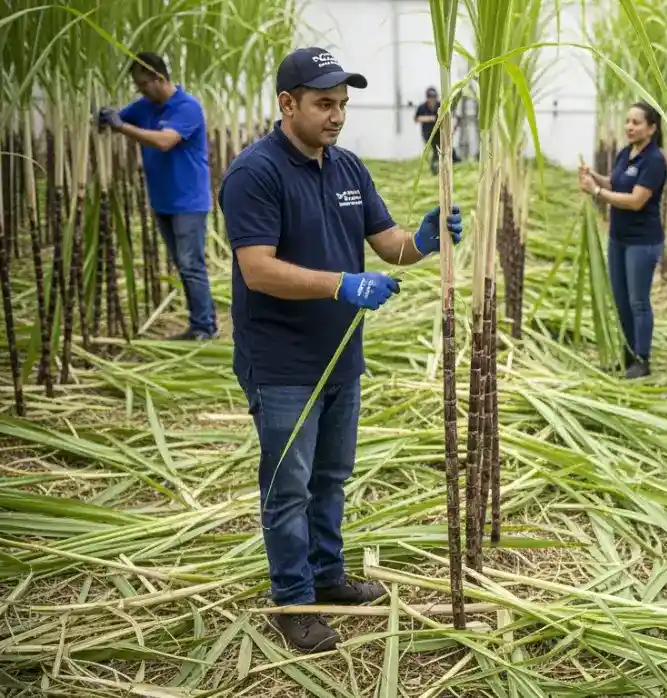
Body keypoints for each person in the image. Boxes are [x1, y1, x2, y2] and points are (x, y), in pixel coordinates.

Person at [217, 47, 463, 654]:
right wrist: (340, 285)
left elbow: (389, 245)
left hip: (340, 356)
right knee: (289, 487)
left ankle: (328, 576)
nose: (337, 116)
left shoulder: (348, 168)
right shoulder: (255, 174)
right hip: (282, 363)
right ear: (287, 103)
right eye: (324, 104)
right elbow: (258, 270)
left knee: (331, 477)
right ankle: (293, 600)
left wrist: (425, 239)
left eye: (343, 104)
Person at [98, 52, 217, 340]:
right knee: (183, 265)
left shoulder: (187, 107)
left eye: (142, 84)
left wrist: (121, 127)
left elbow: (165, 141)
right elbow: (118, 118)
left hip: (188, 202)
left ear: (159, 78)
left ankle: (204, 327)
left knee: (191, 266)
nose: (139, 90)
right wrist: (104, 116)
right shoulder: (144, 107)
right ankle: (200, 323)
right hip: (162, 200)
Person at [578, 101, 667, 378]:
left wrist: (596, 193)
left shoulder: (654, 160)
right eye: (628, 121)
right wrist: (595, 178)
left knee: (638, 302)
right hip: (618, 239)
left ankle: (642, 360)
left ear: (651, 128)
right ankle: (627, 356)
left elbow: (636, 200)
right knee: (621, 301)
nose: (629, 127)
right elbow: (616, 183)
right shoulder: (626, 153)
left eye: (636, 123)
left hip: (642, 242)